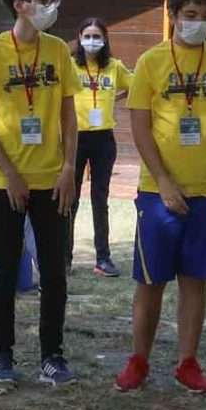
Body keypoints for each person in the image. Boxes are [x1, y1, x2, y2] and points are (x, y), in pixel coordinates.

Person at [116, 0, 206, 395]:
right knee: (150, 280)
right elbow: (140, 128)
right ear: (171, 15)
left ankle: (188, 362)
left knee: (195, 279)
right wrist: (164, 182)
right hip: (159, 192)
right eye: (190, 14)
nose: (198, 22)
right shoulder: (151, 62)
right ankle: (139, 360)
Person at [0, 0, 81, 385]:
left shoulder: (57, 52)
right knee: (6, 270)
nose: (53, 6)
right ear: (20, 4)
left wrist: (69, 167)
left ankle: (53, 355)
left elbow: (70, 116)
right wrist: (11, 175)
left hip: (53, 180)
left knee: (53, 272)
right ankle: (2, 356)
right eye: (45, 0)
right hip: (4, 182)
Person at [70, 17, 124, 277]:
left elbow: (136, 86)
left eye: (97, 36)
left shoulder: (114, 67)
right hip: (75, 138)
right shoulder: (69, 65)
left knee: (100, 199)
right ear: (79, 37)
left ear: (105, 40)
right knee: (69, 200)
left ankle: (103, 258)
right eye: (87, 35)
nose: (92, 41)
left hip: (103, 139)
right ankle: (64, 257)